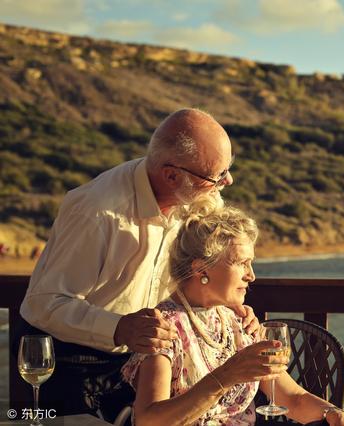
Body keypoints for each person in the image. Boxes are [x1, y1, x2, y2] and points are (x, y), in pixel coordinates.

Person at [16, 108, 258, 416]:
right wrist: (119, 327)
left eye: (227, 169)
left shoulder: (198, 194)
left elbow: (213, 258)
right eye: (218, 175)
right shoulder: (96, 212)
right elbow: (44, 303)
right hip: (70, 360)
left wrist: (228, 305)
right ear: (172, 175)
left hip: (142, 358)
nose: (228, 181)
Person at [121, 202, 344, 426]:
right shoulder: (163, 328)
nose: (251, 275)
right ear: (201, 268)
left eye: (250, 264)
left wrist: (332, 412)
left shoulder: (237, 323)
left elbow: (292, 399)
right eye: (242, 263)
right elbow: (149, 421)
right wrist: (226, 376)